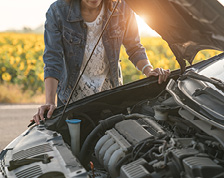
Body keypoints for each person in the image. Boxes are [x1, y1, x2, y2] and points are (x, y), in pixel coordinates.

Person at [32, 0, 170, 124]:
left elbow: (134, 48)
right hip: (71, 101)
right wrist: (49, 102)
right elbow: (53, 59)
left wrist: (149, 70)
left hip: (110, 96)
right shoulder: (58, 12)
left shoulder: (122, 8)